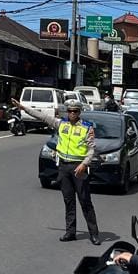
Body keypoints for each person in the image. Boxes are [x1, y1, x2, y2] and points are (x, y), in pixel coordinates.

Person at [50, 101, 98, 243]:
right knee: (69, 201)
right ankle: (70, 232)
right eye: (70, 111)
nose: (72, 114)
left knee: (85, 201)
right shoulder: (61, 124)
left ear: (79, 112)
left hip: (79, 169)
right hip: (64, 168)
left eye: (75, 111)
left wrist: (84, 164)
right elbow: (41, 116)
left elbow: (91, 149)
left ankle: (94, 234)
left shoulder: (86, 127)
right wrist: (23, 108)